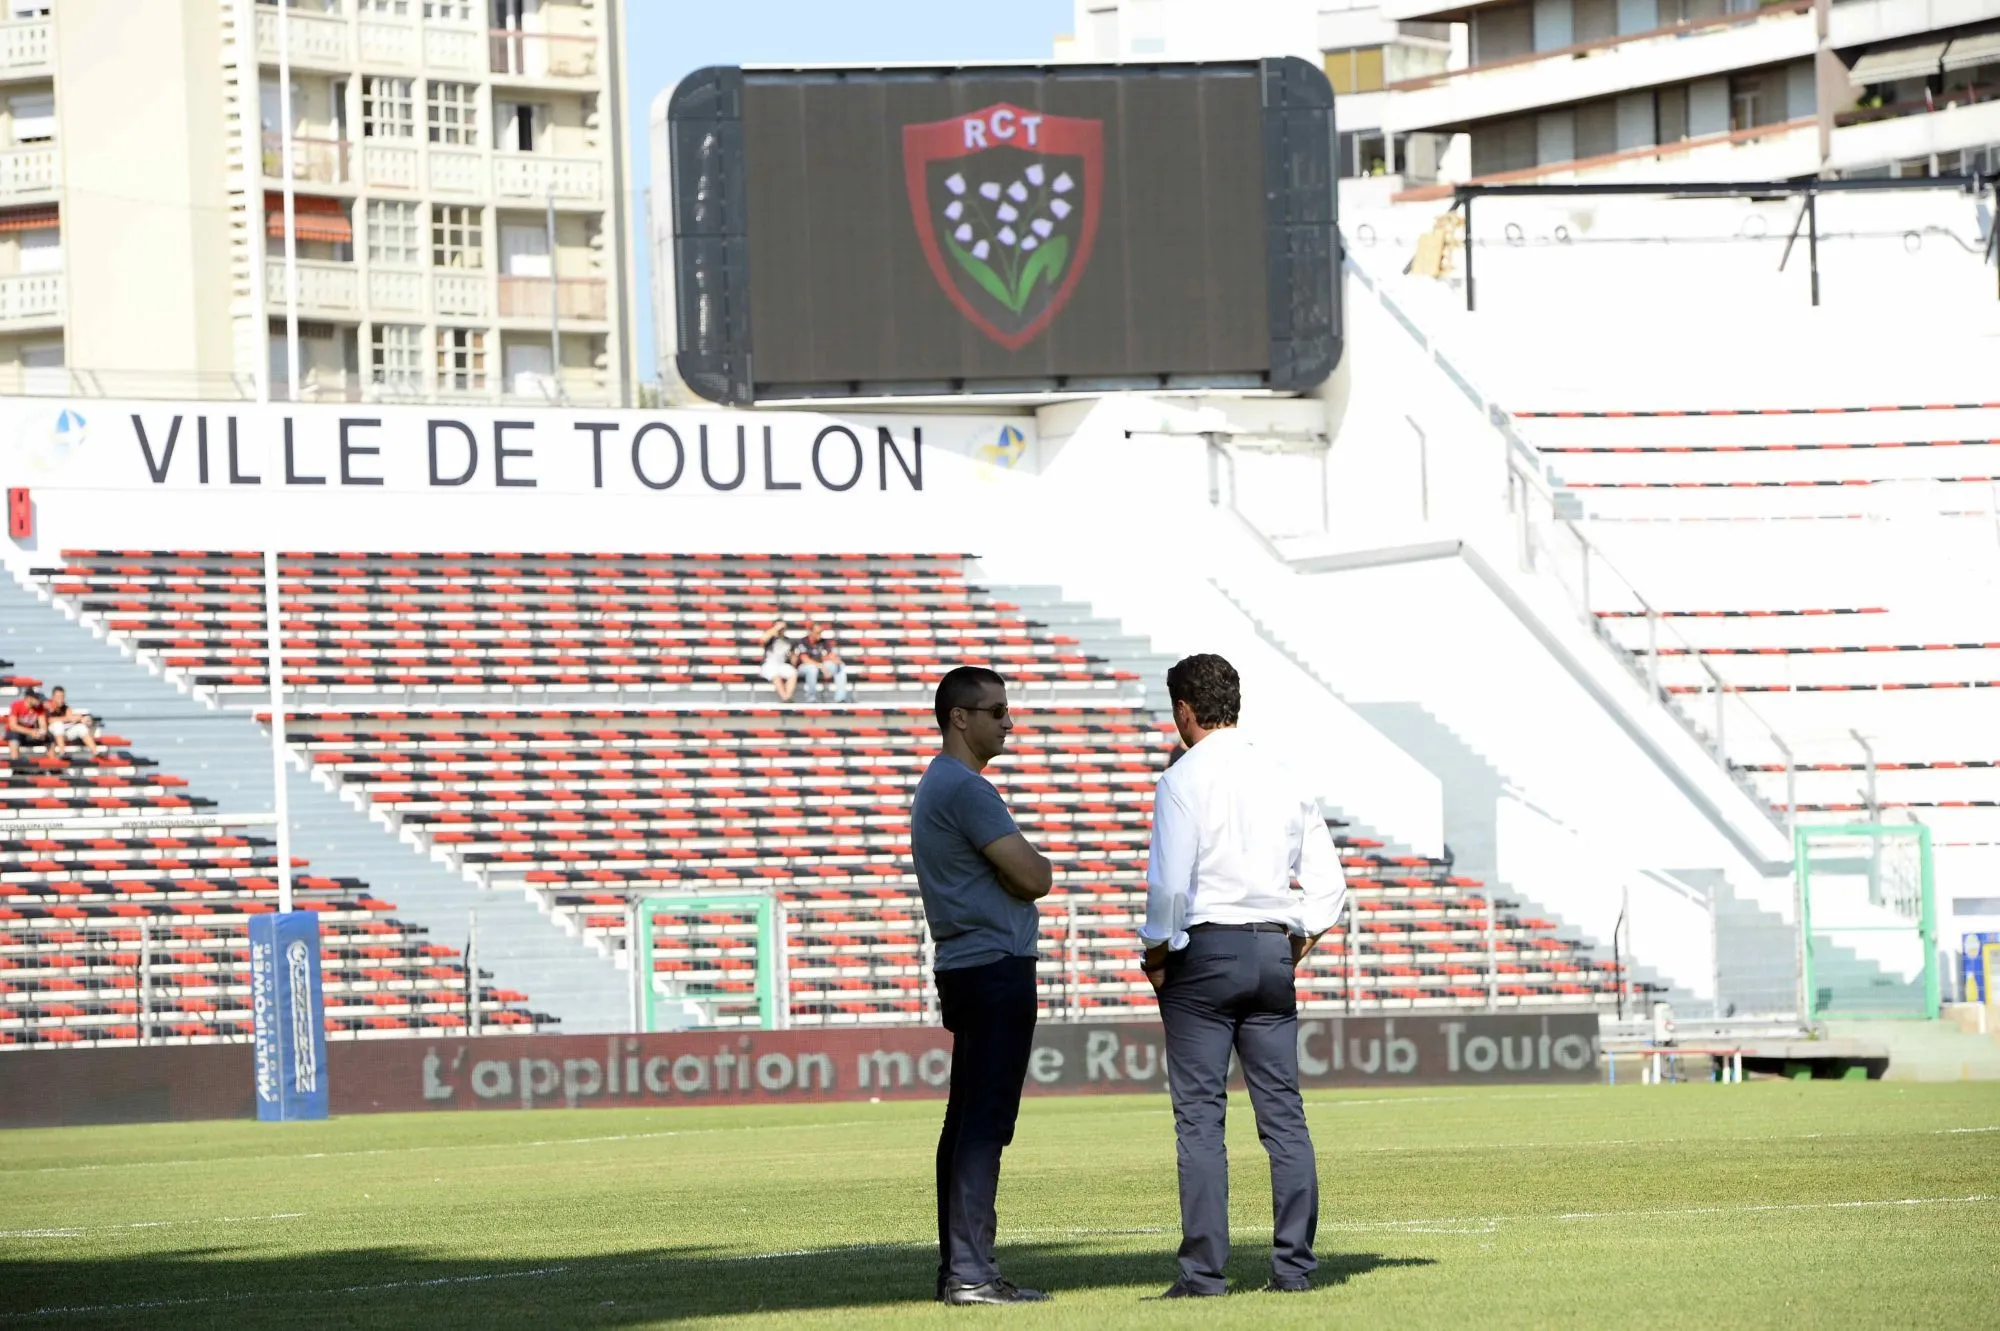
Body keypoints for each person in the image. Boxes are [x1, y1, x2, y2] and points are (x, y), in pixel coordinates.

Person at [1139, 653, 1348, 1298]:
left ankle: (1203, 1274)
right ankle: (1294, 1269)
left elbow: (1169, 888)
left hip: (1204, 954)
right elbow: (1329, 887)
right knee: (1284, 1118)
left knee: (1201, 1121)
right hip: (1271, 949)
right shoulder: (1283, 777)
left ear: (1184, 710)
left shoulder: (1181, 778)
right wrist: (1295, 944)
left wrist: (1156, 957)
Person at [910, 665, 1055, 1306]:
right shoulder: (967, 789)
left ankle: (959, 1268)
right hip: (994, 967)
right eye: (996, 711)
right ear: (959, 718)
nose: (1008, 722)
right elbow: (1035, 877)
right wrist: (1024, 872)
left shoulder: (936, 784)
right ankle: (971, 1273)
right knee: (984, 1126)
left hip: (965, 966)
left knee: (965, 1121)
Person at [795, 623, 852, 704]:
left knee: (840, 666)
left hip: (820, 666)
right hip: (804, 667)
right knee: (812, 669)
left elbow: (830, 655)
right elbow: (805, 659)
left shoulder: (823, 641)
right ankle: (811, 698)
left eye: (821, 632)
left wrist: (836, 660)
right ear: (810, 632)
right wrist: (821, 666)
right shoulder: (803, 641)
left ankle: (840, 698)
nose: (820, 635)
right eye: (817, 632)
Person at [44, 686, 100, 759]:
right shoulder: (47, 706)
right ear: (53, 697)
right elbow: (49, 720)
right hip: (50, 735)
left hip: (63, 734)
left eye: (62, 696)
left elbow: (71, 718)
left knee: (81, 728)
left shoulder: (65, 707)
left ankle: (96, 753)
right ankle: (62, 753)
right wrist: (69, 718)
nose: (60, 699)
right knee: (58, 725)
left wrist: (81, 719)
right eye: (58, 697)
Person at [757, 620, 797, 702]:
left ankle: (788, 696)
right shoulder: (770, 639)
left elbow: (793, 655)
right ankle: (785, 698)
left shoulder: (788, 641)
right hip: (769, 664)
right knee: (776, 675)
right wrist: (776, 628)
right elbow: (762, 640)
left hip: (781, 664)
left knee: (793, 673)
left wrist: (794, 660)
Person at [6, 686, 48, 761]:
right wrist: (31, 732)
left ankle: (53, 764)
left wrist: (41, 733)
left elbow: (43, 725)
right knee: (14, 736)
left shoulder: (39, 707)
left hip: (30, 733)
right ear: (29, 698)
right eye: (37, 698)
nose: (39, 700)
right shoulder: (17, 705)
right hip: (16, 732)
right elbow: (13, 726)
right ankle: (15, 763)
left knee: (49, 736)